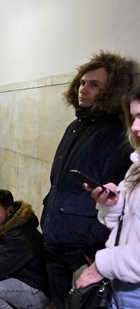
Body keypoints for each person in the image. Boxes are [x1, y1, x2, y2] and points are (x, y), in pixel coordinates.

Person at [40, 51, 132, 308]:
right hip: (56, 233)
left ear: (110, 91)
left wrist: (92, 245)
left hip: (80, 243)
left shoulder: (114, 134)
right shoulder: (76, 126)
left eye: (94, 85)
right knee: (60, 301)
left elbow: (114, 196)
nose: (84, 89)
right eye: (82, 82)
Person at [75, 86, 140, 308]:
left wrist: (102, 265)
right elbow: (127, 223)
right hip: (122, 279)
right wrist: (112, 205)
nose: (134, 126)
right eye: (133, 117)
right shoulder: (137, 166)